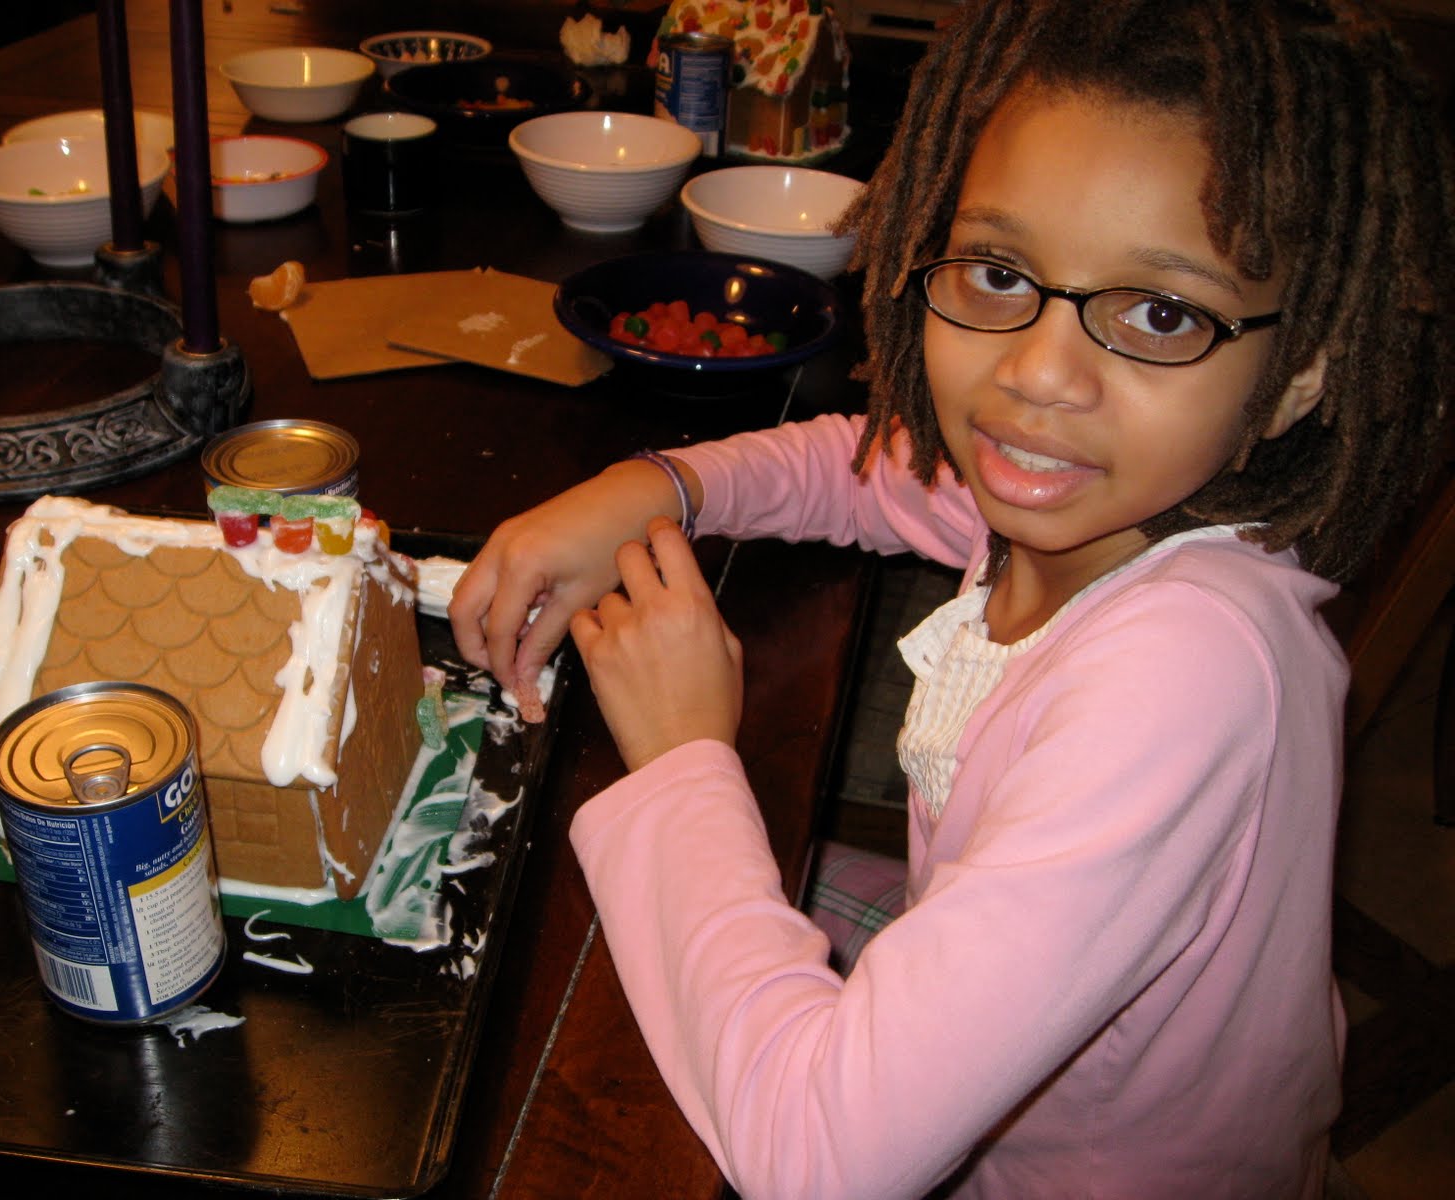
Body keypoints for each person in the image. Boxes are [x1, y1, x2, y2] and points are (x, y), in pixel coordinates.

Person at [450, 0, 1454, 1195]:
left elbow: (817, 1157)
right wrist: (654, 486)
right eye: (997, 274)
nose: (1038, 374)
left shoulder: (1186, 677)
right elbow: (864, 467)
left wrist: (681, 751)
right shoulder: (1089, 496)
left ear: (1295, 377)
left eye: (1161, 314)